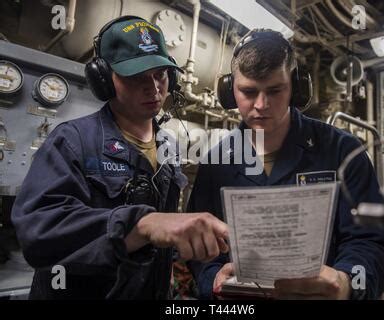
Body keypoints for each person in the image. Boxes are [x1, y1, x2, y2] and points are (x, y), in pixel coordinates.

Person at [11, 16, 228, 299]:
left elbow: (161, 240)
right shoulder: (73, 140)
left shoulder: (168, 146)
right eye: (136, 77)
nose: (153, 88)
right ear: (104, 80)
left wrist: (210, 267)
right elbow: (38, 231)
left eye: (160, 74)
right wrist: (142, 224)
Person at [187, 29, 384, 300]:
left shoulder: (342, 151)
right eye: (248, 92)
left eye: (275, 91)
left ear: (296, 88)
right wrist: (212, 281)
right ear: (230, 92)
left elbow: (376, 243)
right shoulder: (215, 163)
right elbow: (200, 253)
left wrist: (347, 283)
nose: (261, 105)